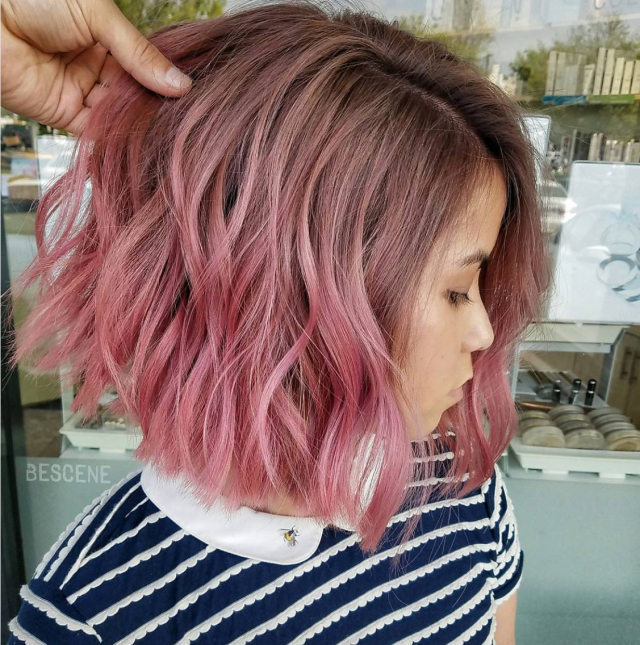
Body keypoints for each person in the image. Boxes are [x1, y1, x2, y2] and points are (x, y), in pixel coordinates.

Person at [2, 1, 553, 643]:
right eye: (457, 290)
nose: (485, 333)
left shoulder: (460, 484)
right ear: (289, 297)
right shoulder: (94, 609)